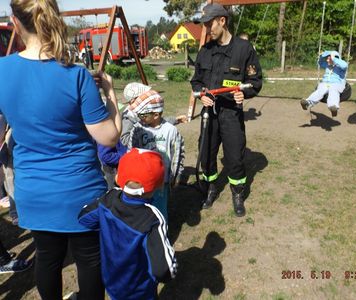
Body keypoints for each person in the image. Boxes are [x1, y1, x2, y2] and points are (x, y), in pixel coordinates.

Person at [0, 0, 121, 299]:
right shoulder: (75, 75)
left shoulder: (2, 71)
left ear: (15, 22)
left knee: (47, 258)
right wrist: (110, 93)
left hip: (34, 193)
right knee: (90, 260)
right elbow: (108, 137)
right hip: (80, 193)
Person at [190, 3, 263, 217]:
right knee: (206, 154)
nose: (207, 29)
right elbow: (196, 81)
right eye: (204, 25)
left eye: (209, 24)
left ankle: (238, 194)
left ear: (222, 21)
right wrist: (201, 93)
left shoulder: (243, 49)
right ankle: (210, 189)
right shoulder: (205, 51)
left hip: (231, 113)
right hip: (209, 114)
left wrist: (245, 94)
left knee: (234, 156)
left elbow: (255, 80)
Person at [78, 148, 177, 300]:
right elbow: (164, 269)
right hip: (140, 290)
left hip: (112, 282)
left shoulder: (108, 199)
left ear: (118, 177)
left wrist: (106, 224)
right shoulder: (152, 218)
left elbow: (84, 218)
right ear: (158, 185)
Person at [123, 90, 185, 221]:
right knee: (142, 210)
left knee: (160, 210)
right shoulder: (138, 129)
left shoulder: (171, 130)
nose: (139, 117)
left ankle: (160, 236)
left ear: (156, 115)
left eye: (143, 115)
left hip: (162, 182)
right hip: (142, 181)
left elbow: (177, 154)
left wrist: (176, 176)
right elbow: (131, 153)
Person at [300, 50, 348, 117]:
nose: (327, 60)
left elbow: (344, 65)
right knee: (320, 91)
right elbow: (320, 62)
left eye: (329, 59)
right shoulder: (327, 65)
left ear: (335, 59)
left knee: (333, 90)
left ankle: (333, 107)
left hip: (337, 84)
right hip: (325, 83)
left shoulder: (341, 67)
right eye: (327, 59)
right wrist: (323, 55)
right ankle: (308, 103)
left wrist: (333, 58)